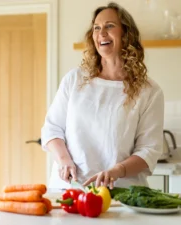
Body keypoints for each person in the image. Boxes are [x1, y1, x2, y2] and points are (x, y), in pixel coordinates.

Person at [41, 2, 164, 189]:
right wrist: (64, 160)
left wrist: (117, 171)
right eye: (96, 28)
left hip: (121, 192)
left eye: (109, 26)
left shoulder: (149, 91)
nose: (101, 33)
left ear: (126, 33)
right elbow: (52, 129)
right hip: (70, 187)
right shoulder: (74, 79)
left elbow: (149, 150)